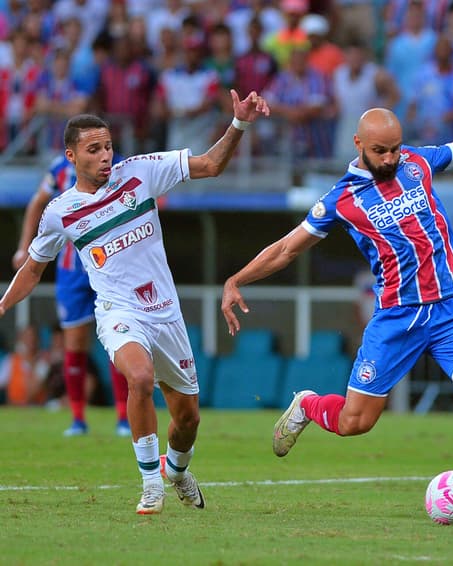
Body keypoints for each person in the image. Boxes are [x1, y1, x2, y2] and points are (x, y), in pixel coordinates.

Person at [221, 86, 453, 528]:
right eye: (380, 151)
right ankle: (308, 406)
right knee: (355, 422)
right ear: (358, 145)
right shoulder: (341, 199)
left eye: (395, 149)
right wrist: (236, 279)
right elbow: (288, 248)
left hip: (450, 309)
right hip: (396, 318)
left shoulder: (418, 162)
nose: (389, 158)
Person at [0, 89, 270, 515]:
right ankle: (150, 485)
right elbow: (33, 269)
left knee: (187, 421)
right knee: (139, 378)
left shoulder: (141, 173)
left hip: (166, 314)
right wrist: (1, 305)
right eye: (94, 149)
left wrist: (238, 124)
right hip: (118, 313)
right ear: (71, 156)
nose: (105, 155)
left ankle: (177, 471)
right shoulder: (61, 212)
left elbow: (211, 164)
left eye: (108, 146)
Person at [13, 152, 132, 437]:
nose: (101, 151)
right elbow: (37, 203)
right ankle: (78, 419)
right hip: (72, 271)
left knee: (119, 341)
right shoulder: (58, 169)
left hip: (109, 265)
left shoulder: (118, 167)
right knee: (75, 343)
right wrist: (23, 246)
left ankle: (124, 419)